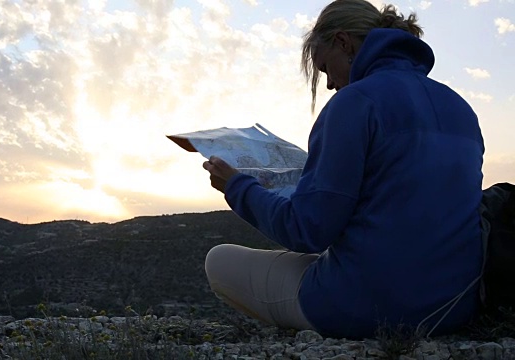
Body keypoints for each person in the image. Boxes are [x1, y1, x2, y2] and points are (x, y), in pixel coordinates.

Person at [202, 0, 484, 339]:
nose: (331, 84)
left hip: (368, 307)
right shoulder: (461, 108)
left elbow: (308, 231)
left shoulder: (355, 103)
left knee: (219, 261)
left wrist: (238, 187)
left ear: (343, 42)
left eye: (324, 69)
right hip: (453, 306)